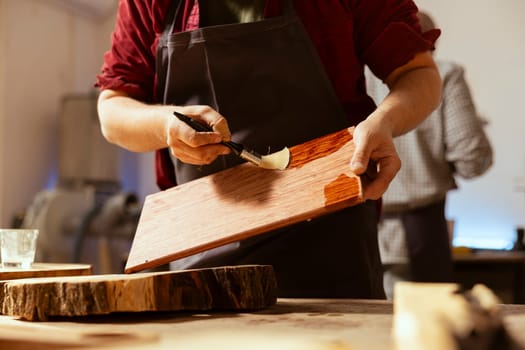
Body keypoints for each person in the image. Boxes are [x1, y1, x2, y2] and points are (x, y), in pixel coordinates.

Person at [95, 0, 442, 299]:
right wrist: (165, 127)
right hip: (199, 249)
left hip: (330, 246)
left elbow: (419, 75)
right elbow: (112, 111)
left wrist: (385, 122)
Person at [365, 11, 493, 299]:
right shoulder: (446, 75)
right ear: (428, 43)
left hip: (359, 228)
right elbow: (472, 160)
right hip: (424, 230)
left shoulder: (353, 80)